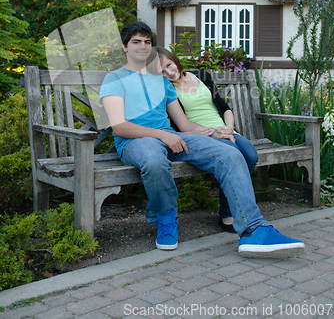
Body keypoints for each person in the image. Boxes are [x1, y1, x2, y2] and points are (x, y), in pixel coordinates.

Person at [99, 21, 305, 258]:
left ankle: (254, 229)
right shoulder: (114, 79)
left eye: (147, 42)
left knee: (230, 152)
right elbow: (120, 126)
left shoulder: (161, 81)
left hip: (173, 137)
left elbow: (185, 125)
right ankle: (165, 219)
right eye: (136, 42)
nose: (143, 46)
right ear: (125, 47)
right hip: (136, 142)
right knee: (154, 160)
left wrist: (216, 132)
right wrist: (163, 134)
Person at [154, 46, 257, 233]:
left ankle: (232, 208)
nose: (169, 72)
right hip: (201, 135)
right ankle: (227, 214)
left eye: (169, 65)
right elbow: (182, 125)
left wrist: (229, 128)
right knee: (235, 154)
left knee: (250, 153)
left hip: (224, 131)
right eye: (162, 71)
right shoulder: (167, 89)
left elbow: (224, 106)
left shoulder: (201, 75)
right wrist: (216, 134)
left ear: (174, 59)